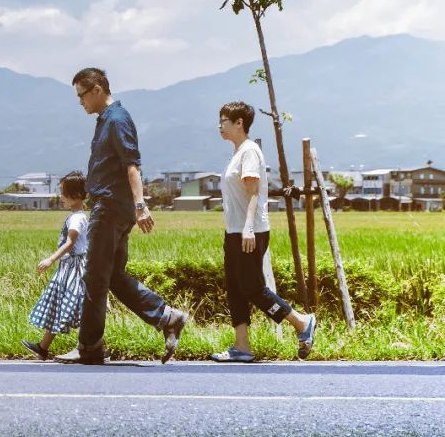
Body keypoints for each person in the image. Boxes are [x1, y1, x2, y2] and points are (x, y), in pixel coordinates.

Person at [55, 68, 188, 365]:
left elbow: (132, 165)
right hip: (113, 207)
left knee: (94, 277)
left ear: (98, 89)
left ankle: (89, 348)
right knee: (113, 276)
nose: (80, 102)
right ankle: (168, 317)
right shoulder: (106, 120)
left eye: (82, 95)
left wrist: (141, 205)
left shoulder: (116, 120)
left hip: (110, 207)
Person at [211, 101, 317, 362]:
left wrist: (248, 228)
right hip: (234, 231)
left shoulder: (249, 152)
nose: (220, 126)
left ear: (239, 123)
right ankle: (242, 347)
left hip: (250, 231)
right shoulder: (237, 152)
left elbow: (254, 194)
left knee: (253, 288)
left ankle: (301, 323)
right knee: (235, 288)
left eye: (225, 120)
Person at [22, 171, 90, 360]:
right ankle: (42, 347)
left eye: (63, 194)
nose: (60, 198)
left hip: (74, 269)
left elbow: (70, 243)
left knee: (75, 307)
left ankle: (95, 346)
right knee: (59, 305)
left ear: (75, 196)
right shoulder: (76, 215)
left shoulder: (77, 218)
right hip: (68, 267)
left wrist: (50, 259)